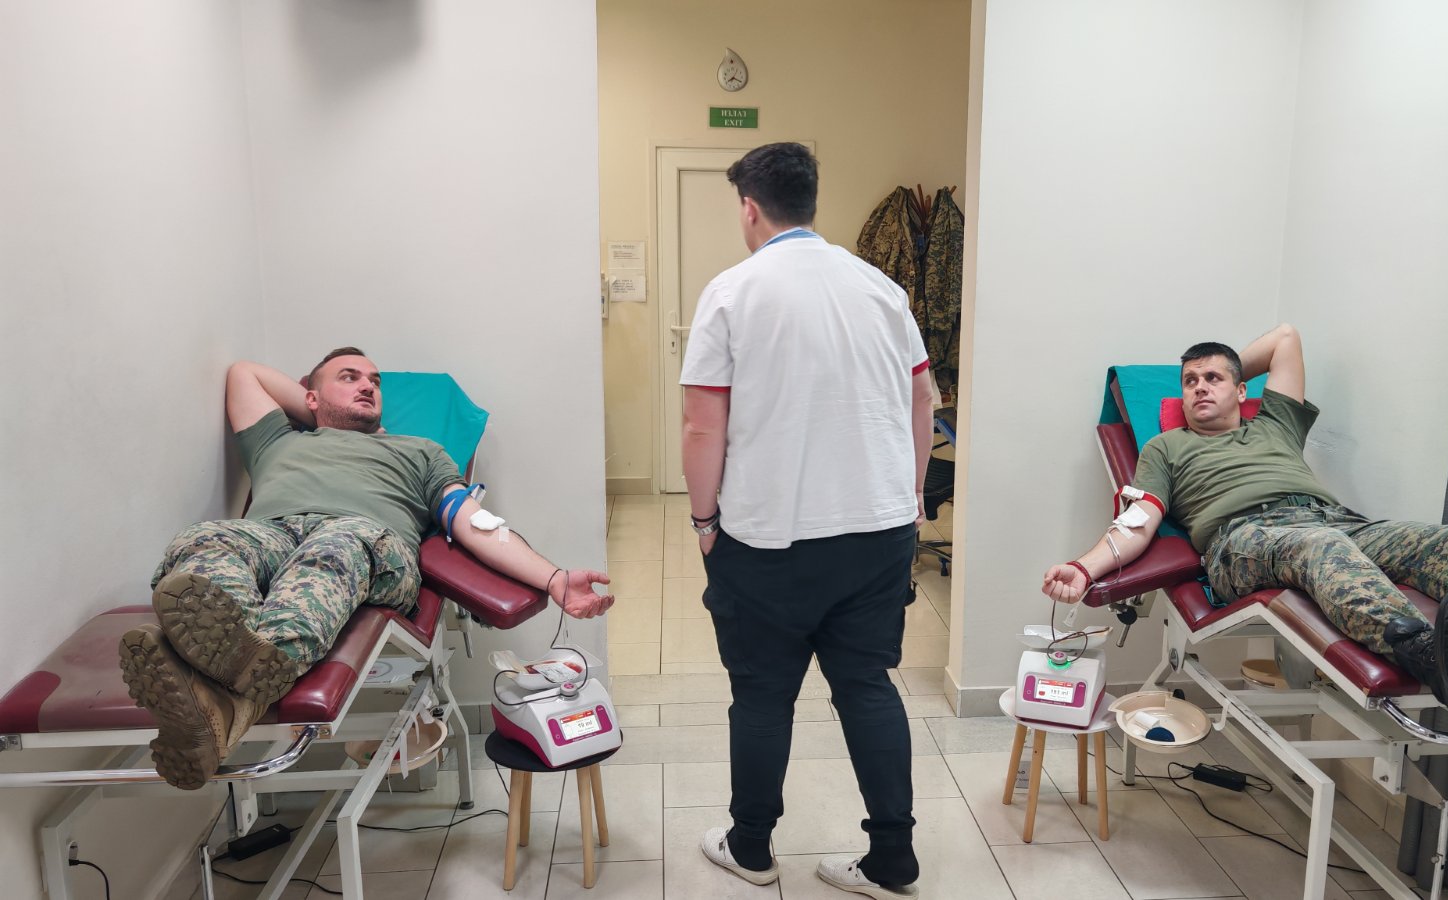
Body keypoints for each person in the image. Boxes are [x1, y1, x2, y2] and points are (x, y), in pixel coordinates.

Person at [1043, 324, 1448, 740]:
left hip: (1336, 520)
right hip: (1245, 539)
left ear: (1243, 390)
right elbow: (1137, 523)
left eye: (1213, 379)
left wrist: (1227, 364)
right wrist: (1083, 567)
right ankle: (1429, 657)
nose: (1199, 388)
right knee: (1320, 548)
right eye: (1188, 382)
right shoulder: (1166, 447)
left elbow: (1285, 338)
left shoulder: (1276, 423)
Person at [119, 348, 614, 789]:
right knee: (205, 537)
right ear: (309, 396)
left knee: (336, 546)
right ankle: (225, 700)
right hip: (272, 534)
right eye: (350, 377)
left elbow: (474, 523)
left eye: (374, 381)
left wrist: (554, 578)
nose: (368, 386)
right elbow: (243, 373)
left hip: (366, 541)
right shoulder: (276, 440)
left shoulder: (420, 451)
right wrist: (316, 412)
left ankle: (249, 671)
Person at [682, 143, 936, 900]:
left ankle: (751, 848)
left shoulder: (731, 292)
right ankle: (892, 859)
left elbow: (702, 425)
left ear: (749, 208)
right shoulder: (881, 289)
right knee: (867, 687)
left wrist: (704, 520)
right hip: (879, 532)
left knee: (763, 695)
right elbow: (923, 404)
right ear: (810, 201)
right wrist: (908, 502)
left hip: (770, 540)